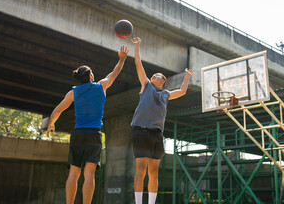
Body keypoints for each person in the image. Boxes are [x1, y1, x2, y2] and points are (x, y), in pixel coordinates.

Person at [46, 45, 129, 204]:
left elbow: (56, 111)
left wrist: (51, 124)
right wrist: (122, 58)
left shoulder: (73, 92)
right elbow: (115, 73)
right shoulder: (101, 86)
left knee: (74, 173)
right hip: (94, 135)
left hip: (78, 134)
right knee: (89, 174)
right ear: (91, 75)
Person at [130, 37, 194, 204]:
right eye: (153, 75)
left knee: (154, 172)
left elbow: (182, 91)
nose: (153, 75)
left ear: (163, 81)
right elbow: (138, 64)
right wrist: (137, 46)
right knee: (141, 170)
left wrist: (187, 75)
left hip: (157, 134)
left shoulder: (166, 94)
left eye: (157, 75)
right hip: (141, 131)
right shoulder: (146, 85)